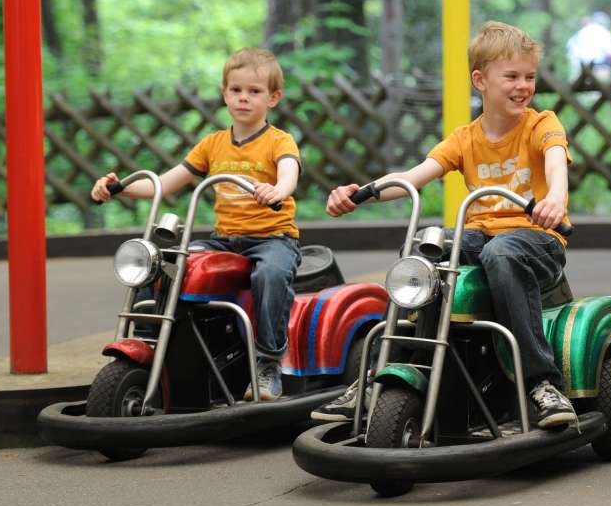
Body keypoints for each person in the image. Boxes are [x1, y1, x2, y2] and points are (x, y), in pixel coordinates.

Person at [313, 21, 577, 429]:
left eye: (529, 77)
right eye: (511, 76)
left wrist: (555, 198)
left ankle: (541, 383)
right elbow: (413, 177)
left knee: (499, 251)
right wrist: (359, 193)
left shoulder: (541, 124)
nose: (523, 86)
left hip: (537, 238)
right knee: (423, 247)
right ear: (480, 80)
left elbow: (556, 159)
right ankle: (381, 371)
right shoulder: (464, 138)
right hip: (483, 235)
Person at [91, 47, 301, 401]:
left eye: (254, 92)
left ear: (273, 98)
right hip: (225, 240)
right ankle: (148, 342)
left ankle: (267, 362)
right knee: (161, 264)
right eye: (236, 91)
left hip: (272, 238)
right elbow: (166, 182)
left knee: (271, 275)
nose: (244, 99)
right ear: (224, 94)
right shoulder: (213, 144)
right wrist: (118, 188)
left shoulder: (279, 141)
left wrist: (276, 189)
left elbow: (289, 175)